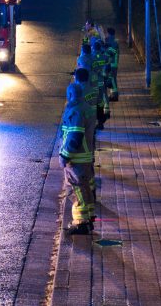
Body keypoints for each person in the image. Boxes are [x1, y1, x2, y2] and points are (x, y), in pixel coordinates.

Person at [60, 69, 96, 235]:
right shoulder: (86, 107)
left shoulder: (75, 111)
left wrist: (65, 155)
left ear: (70, 94)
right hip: (86, 156)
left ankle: (80, 223)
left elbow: (74, 136)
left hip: (76, 158)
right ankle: (88, 219)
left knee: (76, 191)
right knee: (85, 188)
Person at [90, 37, 111, 129]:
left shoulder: (91, 57)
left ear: (94, 48)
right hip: (101, 81)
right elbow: (108, 66)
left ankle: (94, 120)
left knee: (93, 102)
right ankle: (102, 117)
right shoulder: (104, 57)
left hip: (93, 83)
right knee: (101, 99)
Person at [105, 27, 120, 101]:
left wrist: (105, 50)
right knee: (111, 79)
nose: (105, 34)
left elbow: (112, 52)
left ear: (109, 33)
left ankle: (115, 95)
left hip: (113, 64)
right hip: (112, 63)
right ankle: (112, 94)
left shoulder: (113, 41)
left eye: (106, 33)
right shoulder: (112, 40)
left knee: (113, 80)